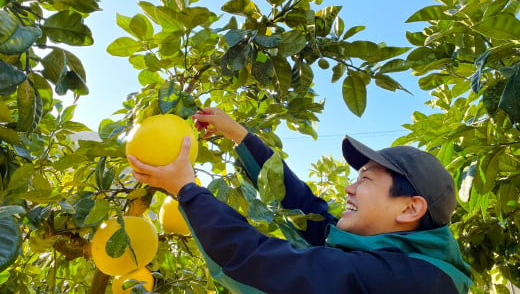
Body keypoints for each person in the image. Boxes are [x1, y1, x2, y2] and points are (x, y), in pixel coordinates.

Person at [128, 108, 473, 294]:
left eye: (365, 180)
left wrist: (187, 190)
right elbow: (306, 210)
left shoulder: (414, 283)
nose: (350, 190)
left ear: (410, 208)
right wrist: (240, 136)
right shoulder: (388, 254)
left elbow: (272, 267)